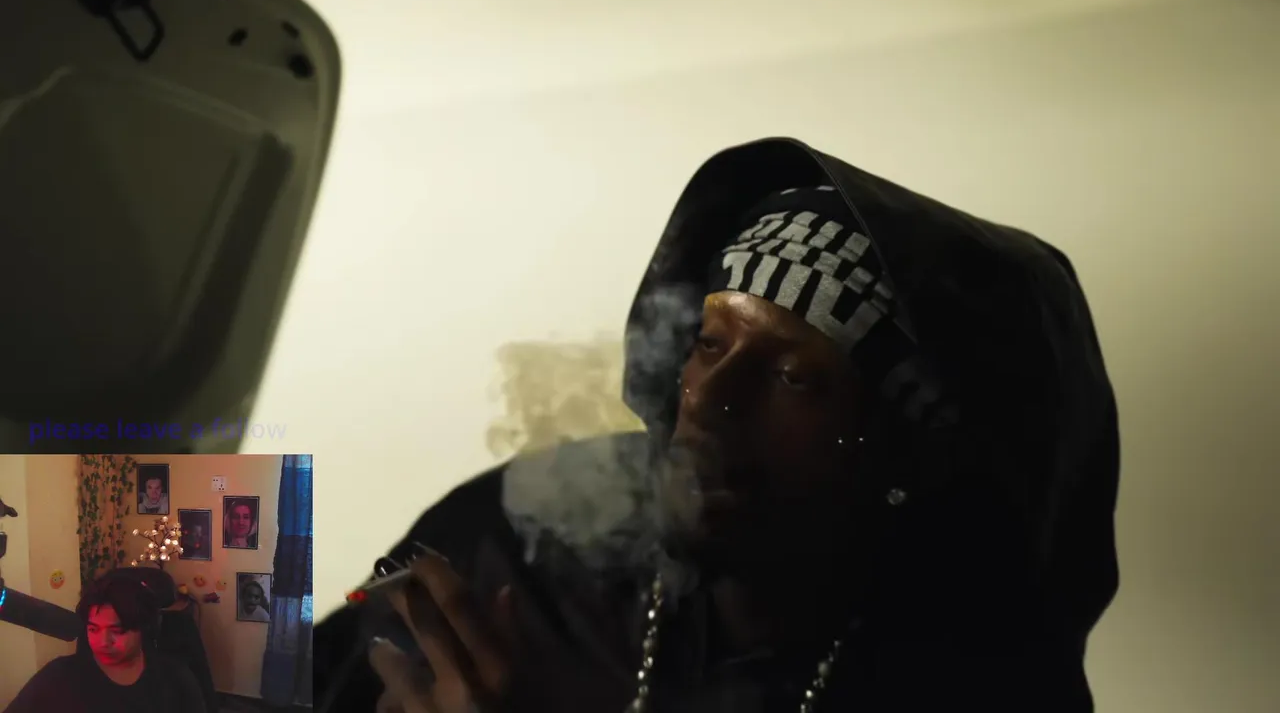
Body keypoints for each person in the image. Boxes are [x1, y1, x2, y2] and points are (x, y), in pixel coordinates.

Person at [313, 137, 1120, 712]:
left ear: (911, 448)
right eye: (708, 343)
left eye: (793, 375)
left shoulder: (976, 676)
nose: (705, 399)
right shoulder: (514, 549)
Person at [4, 571, 207, 712]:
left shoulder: (175, 680)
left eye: (117, 631)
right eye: (93, 629)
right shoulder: (58, 675)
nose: (103, 642)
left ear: (144, 629)